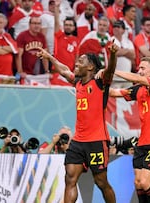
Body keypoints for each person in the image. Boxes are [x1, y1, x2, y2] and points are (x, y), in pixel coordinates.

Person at [36, 41, 118, 203]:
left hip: (97, 141)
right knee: (70, 179)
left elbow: (110, 71)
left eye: (81, 61)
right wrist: (49, 57)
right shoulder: (78, 82)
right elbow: (64, 70)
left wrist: (114, 55)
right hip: (78, 141)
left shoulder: (100, 83)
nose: (76, 63)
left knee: (101, 182)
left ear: (90, 67)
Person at [108, 57, 150, 203]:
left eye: (143, 68)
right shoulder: (139, 90)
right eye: (139, 68)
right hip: (142, 142)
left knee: (145, 183)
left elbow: (137, 78)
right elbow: (114, 93)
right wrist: (92, 82)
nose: (139, 71)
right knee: (138, 183)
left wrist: (112, 70)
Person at [111, 20, 135, 88]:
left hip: (127, 77)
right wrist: (127, 51)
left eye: (118, 27)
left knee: (129, 97)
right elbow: (114, 53)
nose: (116, 28)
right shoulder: (110, 39)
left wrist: (120, 51)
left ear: (123, 30)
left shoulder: (128, 42)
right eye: (114, 26)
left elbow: (133, 55)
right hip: (115, 77)